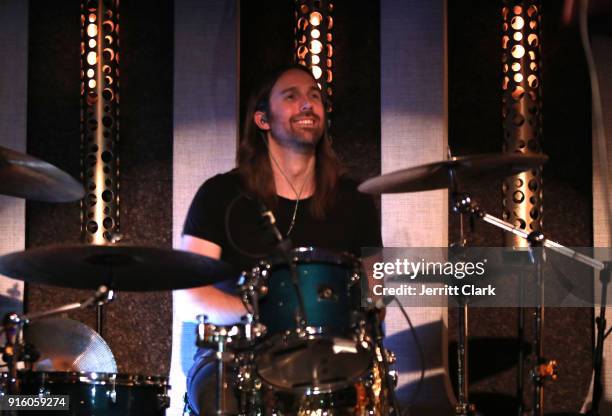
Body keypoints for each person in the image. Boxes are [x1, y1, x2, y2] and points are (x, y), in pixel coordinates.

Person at [179, 64, 382, 415]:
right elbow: (191, 293)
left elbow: (376, 287)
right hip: (237, 355)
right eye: (292, 96)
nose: (308, 104)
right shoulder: (221, 194)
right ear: (263, 120)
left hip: (330, 352)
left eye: (314, 96)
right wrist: (262, 317)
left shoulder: (354, 197)